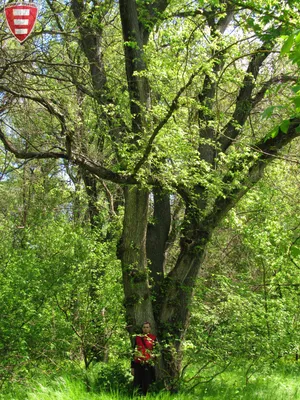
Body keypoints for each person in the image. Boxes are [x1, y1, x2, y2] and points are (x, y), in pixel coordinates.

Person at [131, 322, 157, 396]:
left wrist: (154, 356)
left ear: (150, 328)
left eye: (147, 327)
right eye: (144, 327)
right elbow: (133, 352)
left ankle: (146, 396)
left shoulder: (153, 338)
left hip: (148, 363)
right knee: (137, 382)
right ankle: (136, 396)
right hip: (138, 363)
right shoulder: (137, 338)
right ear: (142, 328)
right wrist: (132, 367)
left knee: (147, 382)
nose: (145, 329)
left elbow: (156, 351)